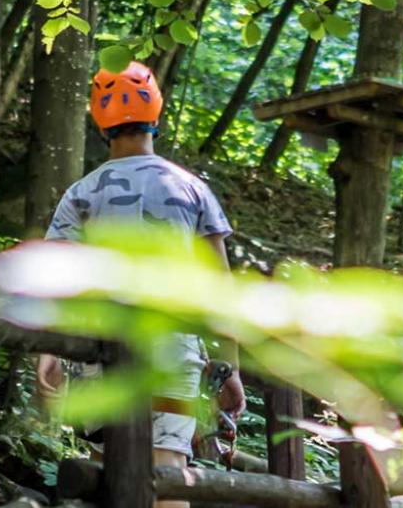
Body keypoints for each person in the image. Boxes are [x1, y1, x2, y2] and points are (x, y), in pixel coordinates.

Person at [35, 62, 246, 505]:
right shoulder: (192, 190)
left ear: (100, 122)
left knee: (109, 474)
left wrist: (49, 352)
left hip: (101, 352)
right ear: (157, 114)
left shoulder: (81, 193)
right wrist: (231, 367)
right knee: (170, 474)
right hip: (174, 353)